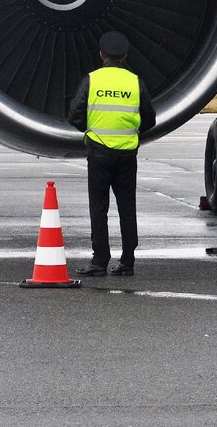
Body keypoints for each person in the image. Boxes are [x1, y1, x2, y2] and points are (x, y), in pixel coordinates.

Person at [67, 31, 156, 277]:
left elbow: (74, 115)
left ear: (101, 54)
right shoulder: (135, 81)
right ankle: (127, 261)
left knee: (99, 208)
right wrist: (130, 134)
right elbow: (150, 118)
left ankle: (100, 261)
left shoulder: (92, 80)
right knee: (127, 207)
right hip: (127, 154)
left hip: (99, 153)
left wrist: (92, 130)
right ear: (125, 55)